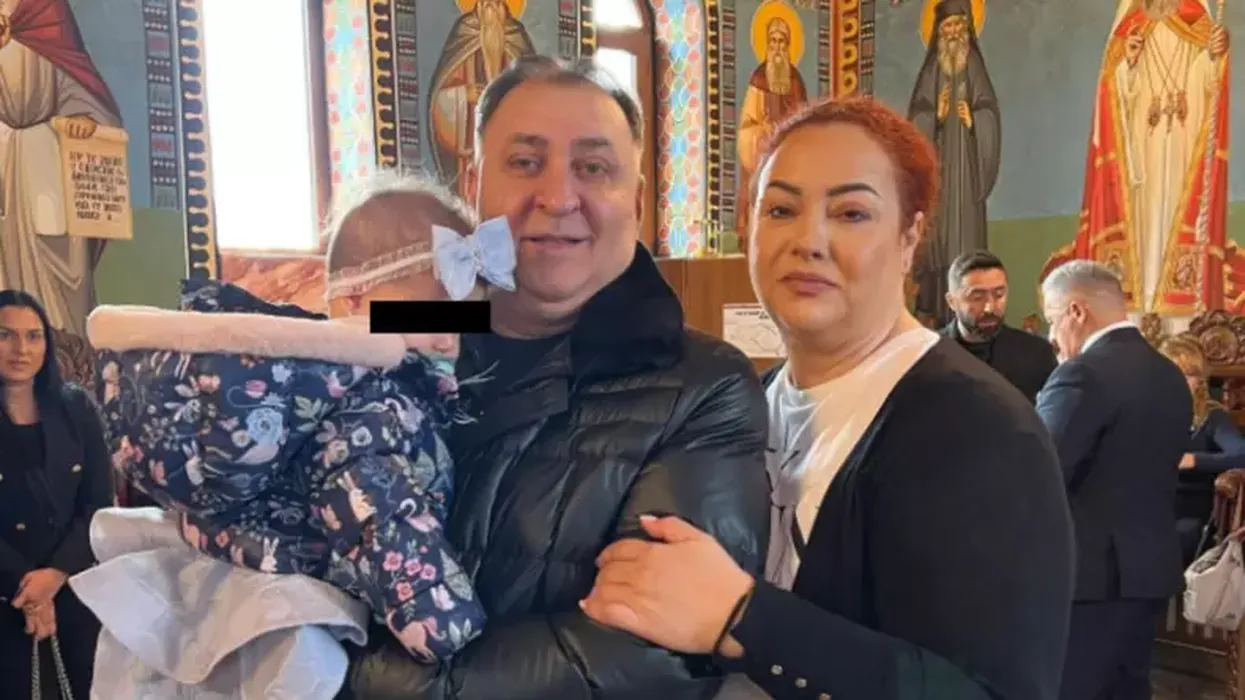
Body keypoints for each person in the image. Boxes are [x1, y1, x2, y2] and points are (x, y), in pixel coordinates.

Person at [580, 97, 1075, 700]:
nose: (808, 240)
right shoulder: (746, 403)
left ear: (910, 236)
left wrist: (744, 619)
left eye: (851, 213)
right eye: (781, 209)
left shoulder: (978, 430)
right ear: (749, 227)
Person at [343, 55, 770, 699]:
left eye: (593, 168)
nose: (558, 197)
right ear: (473, 183)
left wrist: (340, 677)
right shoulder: (384, 341)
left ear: (637, 199)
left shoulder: (703, 388)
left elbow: (642, 657)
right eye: (524, 162)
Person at [88, 179, 503, 664]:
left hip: (259, 611)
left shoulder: (306, 385)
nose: (449, 340)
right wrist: (448, 626)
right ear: (354, 303)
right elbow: (382, 520)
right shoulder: (369, 407)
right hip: (314, 627)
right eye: (433, 316)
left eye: (462, 320)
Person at [1036, 260, 1190, 700]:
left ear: (1076, 311)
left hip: (1090, 577)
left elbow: (1039, 470)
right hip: (1150, 570)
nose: (1051, 335)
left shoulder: (1082, 373)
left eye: (1052, 319)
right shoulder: (1169, 374)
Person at [1044, 0, 1230, 320]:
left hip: (1182, 146)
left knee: (1175, 212)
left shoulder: (1197, 20)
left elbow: (1208, 88)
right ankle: (1137, 308)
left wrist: (1214, 57)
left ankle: (1176, 315)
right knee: (1143, 222)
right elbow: (1112, 100)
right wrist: (1128, 65)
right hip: (1140, 154)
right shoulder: (1130, 26)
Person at [0, 289, 112, 698]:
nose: (21, 349)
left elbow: (98, 503)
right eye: (6, 335)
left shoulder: (75, 407)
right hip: (7, 591)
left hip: (73, 585)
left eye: (33, 336)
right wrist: (28, 589)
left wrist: (55, 576)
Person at [0, 0, 125, 339]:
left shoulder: (46, 10)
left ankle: (67, 356)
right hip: (3, 157)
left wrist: (85, 116)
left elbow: (73, 75)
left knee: (65, 271)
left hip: (48, 158)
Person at [907, 0, 1000, 325]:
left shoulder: (974, 68)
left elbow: (990, 114)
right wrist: (936, 116)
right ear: (939, 31)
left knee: (966, 242)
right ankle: (934, 309)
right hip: (940, 178)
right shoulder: (931, 71)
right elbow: (916, 119)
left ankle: (969, 309)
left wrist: (974, 121)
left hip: (968, 179)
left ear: (968, 29)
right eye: (948, 27)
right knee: (937, 243)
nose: (954, 33)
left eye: (959, 26)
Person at [428, 0, 536, 189]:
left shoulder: (516, 34)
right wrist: (463, 95)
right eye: (486, 3)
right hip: (469, 144)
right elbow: (440, 98)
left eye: (496, 3)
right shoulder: (464, 32)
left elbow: (536, 90)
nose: (491, 7)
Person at [1159, 335, 1245, 564]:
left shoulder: (1211, 415)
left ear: (1200, 380)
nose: (1181, 381)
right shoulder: (1145, 410)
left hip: (1191, 508)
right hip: (1148, 502)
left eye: (1190, 374)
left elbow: (1242, 454)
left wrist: (1193, 460)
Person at [942, 250, 1057, 403]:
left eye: (999, 295)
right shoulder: (929, 355)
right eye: (977, 297)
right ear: (952, 302)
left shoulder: (1037, 353)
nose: (990, 307)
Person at [737, 15, 809, 239]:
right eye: (773, 41)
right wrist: (767, 131)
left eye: (782, 41)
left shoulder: (795, 80)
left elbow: (805, 121)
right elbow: (748, 125)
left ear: (788, 45)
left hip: (792, 155)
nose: (777, 47)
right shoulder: (759, 78)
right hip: (763, 153)